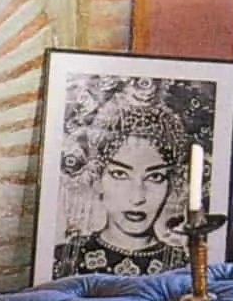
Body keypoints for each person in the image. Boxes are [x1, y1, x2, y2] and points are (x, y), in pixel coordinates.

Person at [52, 104, 190, 278]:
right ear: (98, 178)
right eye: (120, 174)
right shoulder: (65, 260)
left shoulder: (186, 268)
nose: (137, 197)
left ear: (170, 184)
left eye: (155, 177)